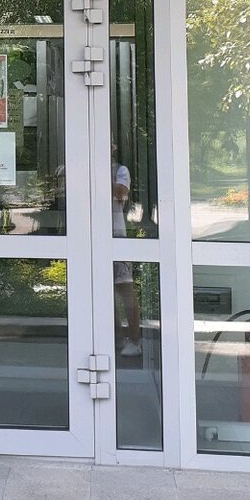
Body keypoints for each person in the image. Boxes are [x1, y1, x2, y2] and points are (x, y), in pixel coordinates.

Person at [112, 144, 142, 358]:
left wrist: (99, 172)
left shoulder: (121, 171)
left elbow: (120, 193)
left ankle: (135, 340)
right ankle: (115, 338)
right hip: (90, 236)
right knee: (103, 292)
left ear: (113, 148)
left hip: (115, 236)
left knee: (125, 289)